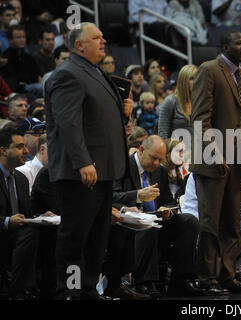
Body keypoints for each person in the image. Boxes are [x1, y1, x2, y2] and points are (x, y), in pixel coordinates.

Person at [44, 22, 132, 300]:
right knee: (76, 236)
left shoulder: (96, 71)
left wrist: (124, 113)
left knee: (96, 237)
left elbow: (97, 120)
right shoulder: (67, 74)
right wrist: (83, 161)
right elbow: (69, 123)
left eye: (103, 36)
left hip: (103, 169)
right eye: (96, 37)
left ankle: (87, 288)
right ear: (79, 45)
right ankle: (68, 291)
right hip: (81, 172)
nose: (103, 40)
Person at [190, 29, 241, 294]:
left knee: (231, 223)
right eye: (238, 43)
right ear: (224, 45)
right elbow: (200, 118)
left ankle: (227, 275)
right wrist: (214, 151)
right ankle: (207, 278)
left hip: (238, 160)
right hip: (213, 158)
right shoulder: (209, 69)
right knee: (210, 223)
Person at [112, 135, 201, 297]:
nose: (156, 163)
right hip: (128, 223)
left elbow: (168, 201)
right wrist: (138, 195)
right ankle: (144, 282)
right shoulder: (122, 165)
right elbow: (112, 197)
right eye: (153, 158)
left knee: (189, 221)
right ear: (141, 150)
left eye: (160, 160)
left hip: (156, 221)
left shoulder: (160, 171)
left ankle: (180, 280)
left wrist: (167, 210)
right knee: (148, 222)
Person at [0, 129, 39, 300]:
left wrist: (42, 215)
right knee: (29, 234)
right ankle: (17, 291)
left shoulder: (21, 179)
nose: (27, 151)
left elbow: (27, 214)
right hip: (3, 233)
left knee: (49, 232)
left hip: (20, 236)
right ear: (3, 150)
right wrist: (8, 221)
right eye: (20, 147)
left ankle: (49, 289)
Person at [158, 64, 197, 140]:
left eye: (197, 78)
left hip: (198, 150)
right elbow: (163, 135)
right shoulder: (170, 101)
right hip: (176, 150)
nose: (196, 81)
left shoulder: (200, 102)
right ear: (183, 81)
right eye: (192, 78)